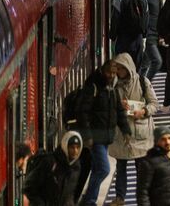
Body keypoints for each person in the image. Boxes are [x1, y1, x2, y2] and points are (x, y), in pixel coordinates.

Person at [108, 53, 160, 205]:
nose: (119, 71)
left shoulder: (143, 82)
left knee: (142, 168)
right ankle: (120, 197)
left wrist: (143, 111)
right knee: (121, 167)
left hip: (140, 133)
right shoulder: (112, 85)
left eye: (121, 68)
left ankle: (143, 197)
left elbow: (154, 104)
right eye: (117, 68)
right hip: (121, 134)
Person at [80, 61, 133, 206]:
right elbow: (83, 113)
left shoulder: (112, 88)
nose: (111, 75)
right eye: (109, 72)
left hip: (106, 136)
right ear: (103, 71)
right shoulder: (94, 87)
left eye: (114, 73)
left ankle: (89, 200)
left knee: (98, 169)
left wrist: (126, 131)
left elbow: (119, 112)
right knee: (104, 169)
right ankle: (88, 201)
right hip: (96, 137)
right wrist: (88, 136)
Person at [23, 131, 83, 206]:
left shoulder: (76, 167)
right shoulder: (50, 162)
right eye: (72, 147)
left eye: (78, 147)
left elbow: (70, 194)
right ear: (65, 146)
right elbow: (29, 188)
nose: (75, 151)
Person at [137, 126, 170, 206]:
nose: (167, 142)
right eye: (163, 139)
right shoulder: (148, 162)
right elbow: (142, 192)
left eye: (169, 138)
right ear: (156, 142)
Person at [110, 0, 148, 67]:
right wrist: (143, 36)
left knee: (122, 68)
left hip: (123, 39)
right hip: (138, 39)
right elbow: (146, 20)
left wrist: (112, 36)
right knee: (135, 70)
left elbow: (115, 18)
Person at [140, 0, 166, 80]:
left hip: (155, 32)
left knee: (145, 64)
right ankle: (146, 86)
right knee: (157, 61)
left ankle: (139, 86)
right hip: (149, 33)